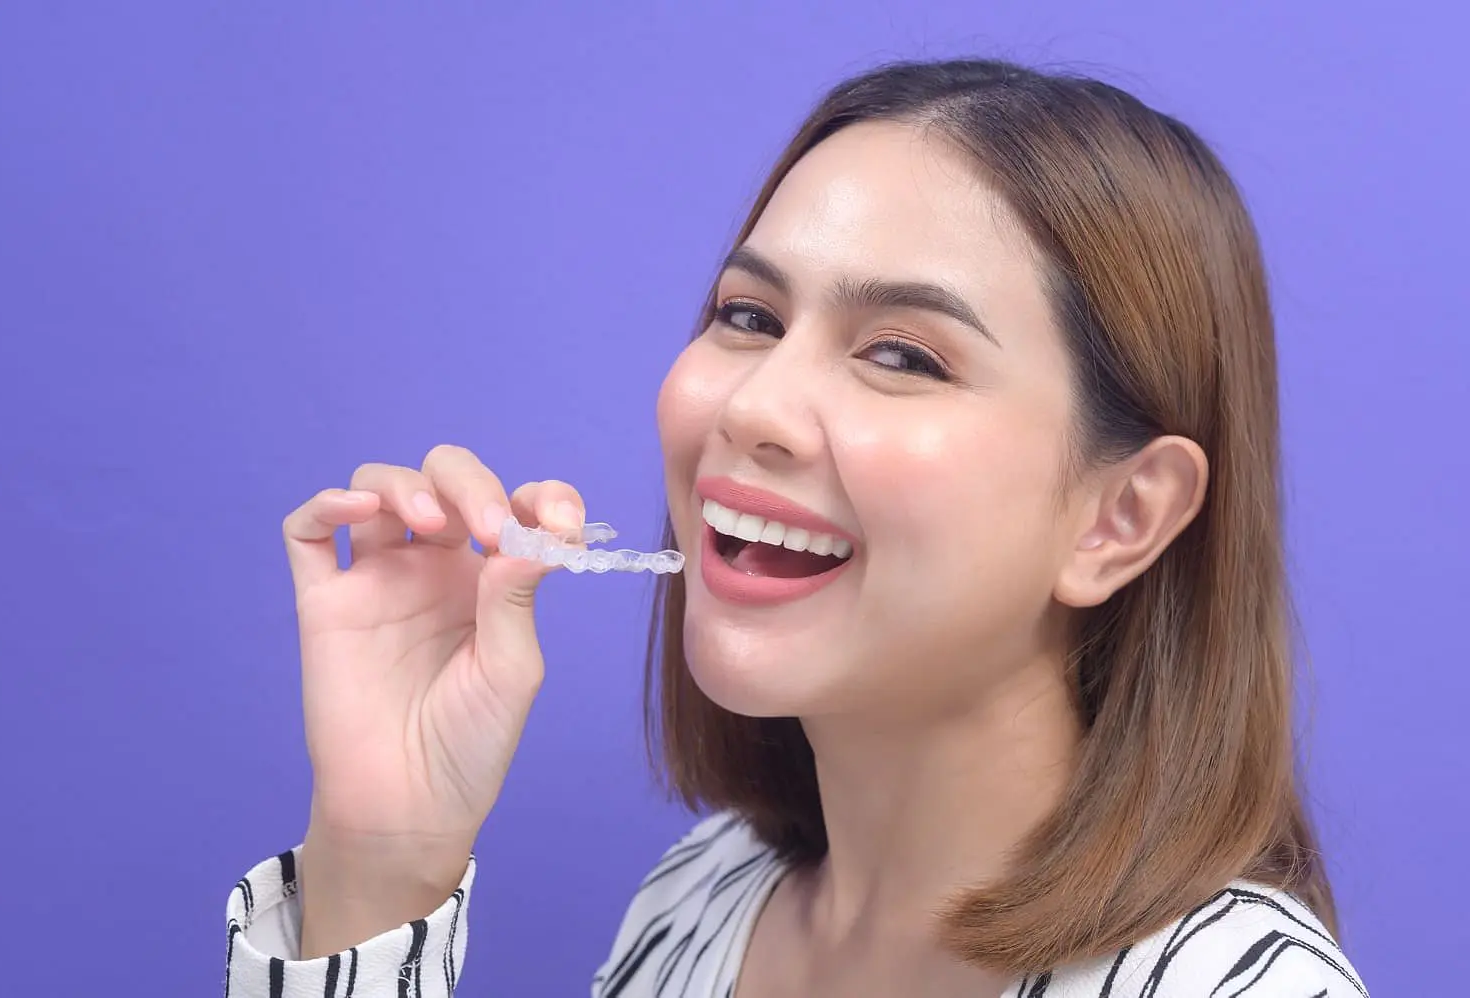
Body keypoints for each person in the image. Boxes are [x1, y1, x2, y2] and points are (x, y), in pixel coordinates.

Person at [222, 59, 1370, 996]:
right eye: (747, 316)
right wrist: (379, 859)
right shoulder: (705, 898)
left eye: (903, 355)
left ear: (1120, 517)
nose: (755, 403)